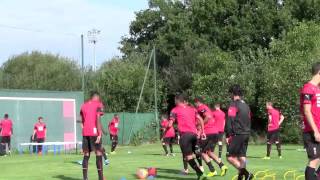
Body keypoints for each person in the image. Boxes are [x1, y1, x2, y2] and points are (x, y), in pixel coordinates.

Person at [168, 93, 207, 180]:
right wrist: (202, 131)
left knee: (188, 157)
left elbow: (170, 124)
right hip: (194, 135)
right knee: (197, 153)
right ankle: (202, 168)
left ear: (177, 100)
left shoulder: (174, 110)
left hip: (185, 136)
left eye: (175, 99)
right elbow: (200, 119)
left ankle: (200, 172)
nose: (174, 101)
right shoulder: (193, 109)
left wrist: (166, 127)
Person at [226, 85, 254, 180]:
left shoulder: (233, 104)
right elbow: (249, 119)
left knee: (230, 157)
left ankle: (247, 174)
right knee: (242, 157)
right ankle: (240, 177)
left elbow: (230, 120)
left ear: (232, 94)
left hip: (238, 134)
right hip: (246, 133)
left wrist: (228, 135)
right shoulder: (246, 105)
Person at [195, 98, 228, 177]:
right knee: (209, 152)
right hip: (215, 132)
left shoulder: (201, 107)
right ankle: (222, 166)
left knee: (201, 152)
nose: (195, 105)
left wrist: (200, 125)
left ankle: (212, 170)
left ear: (198, 102)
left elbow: (208, 116)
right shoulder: (207, 107)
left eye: (195, 103)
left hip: (208, 132)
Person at [300, 62, 320, 180]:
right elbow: (307, 111)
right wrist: (316, 131)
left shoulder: (317, 89)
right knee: (314, 160)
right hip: (312, 131)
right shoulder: (308, 88)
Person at [80, 91, 105, 180]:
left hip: (85, 133)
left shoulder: (83, 105)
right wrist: (99, 133)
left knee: (86, 155)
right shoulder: (99, 104)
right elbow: (98, 118)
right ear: (97, 97)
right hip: (94, 132)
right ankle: (101, 178)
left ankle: (85, 178)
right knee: (98, 154)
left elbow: (82, 122)